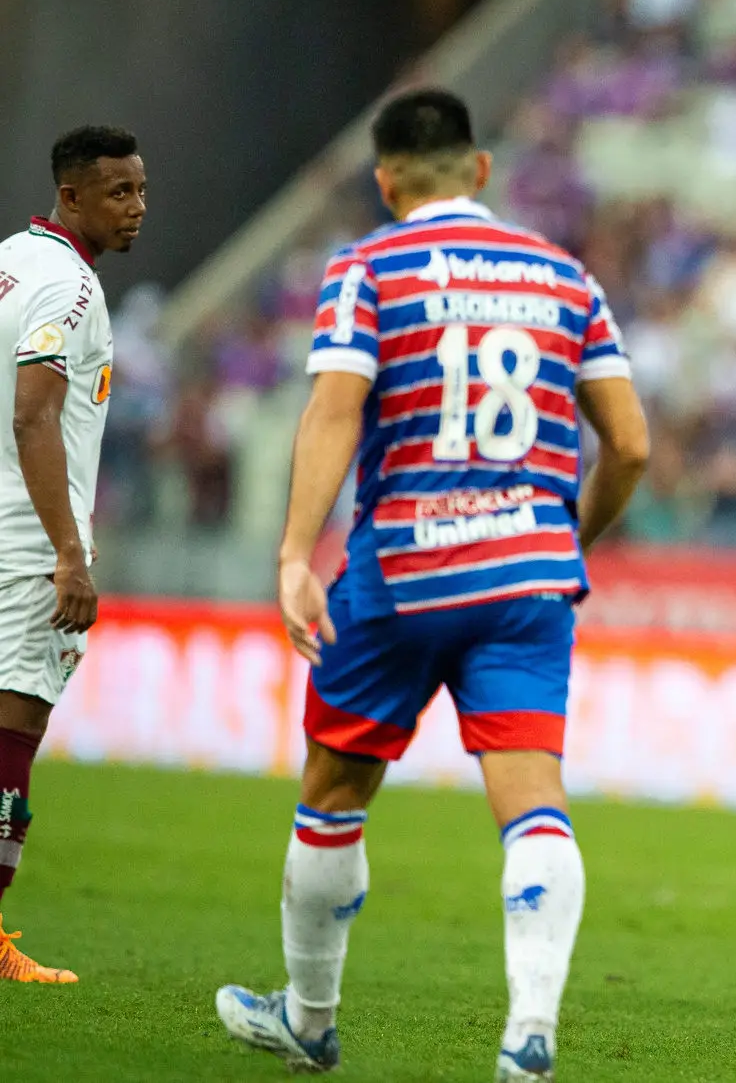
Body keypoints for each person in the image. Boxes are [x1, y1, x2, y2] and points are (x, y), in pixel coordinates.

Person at [214, 91, 649, 1080]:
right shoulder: (565, 278)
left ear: (385, 180)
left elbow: (334, 410)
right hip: (529, 577)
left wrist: (292, 555)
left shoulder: (367, 268)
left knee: (333, 791)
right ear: (480, 170)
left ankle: (311, 1021)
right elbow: (629, 444)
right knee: (534, 803)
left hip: (402, 570)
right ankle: (528, 1032)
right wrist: (563, 534)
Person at [0, 126, 147, 985]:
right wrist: (67, 553)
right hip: (27, 544)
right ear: (74, 196)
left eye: (141, 188)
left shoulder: (12, 260)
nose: (137, 207)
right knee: (14, 729)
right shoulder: (72, 289)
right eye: (120, 191)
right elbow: (32, 414)